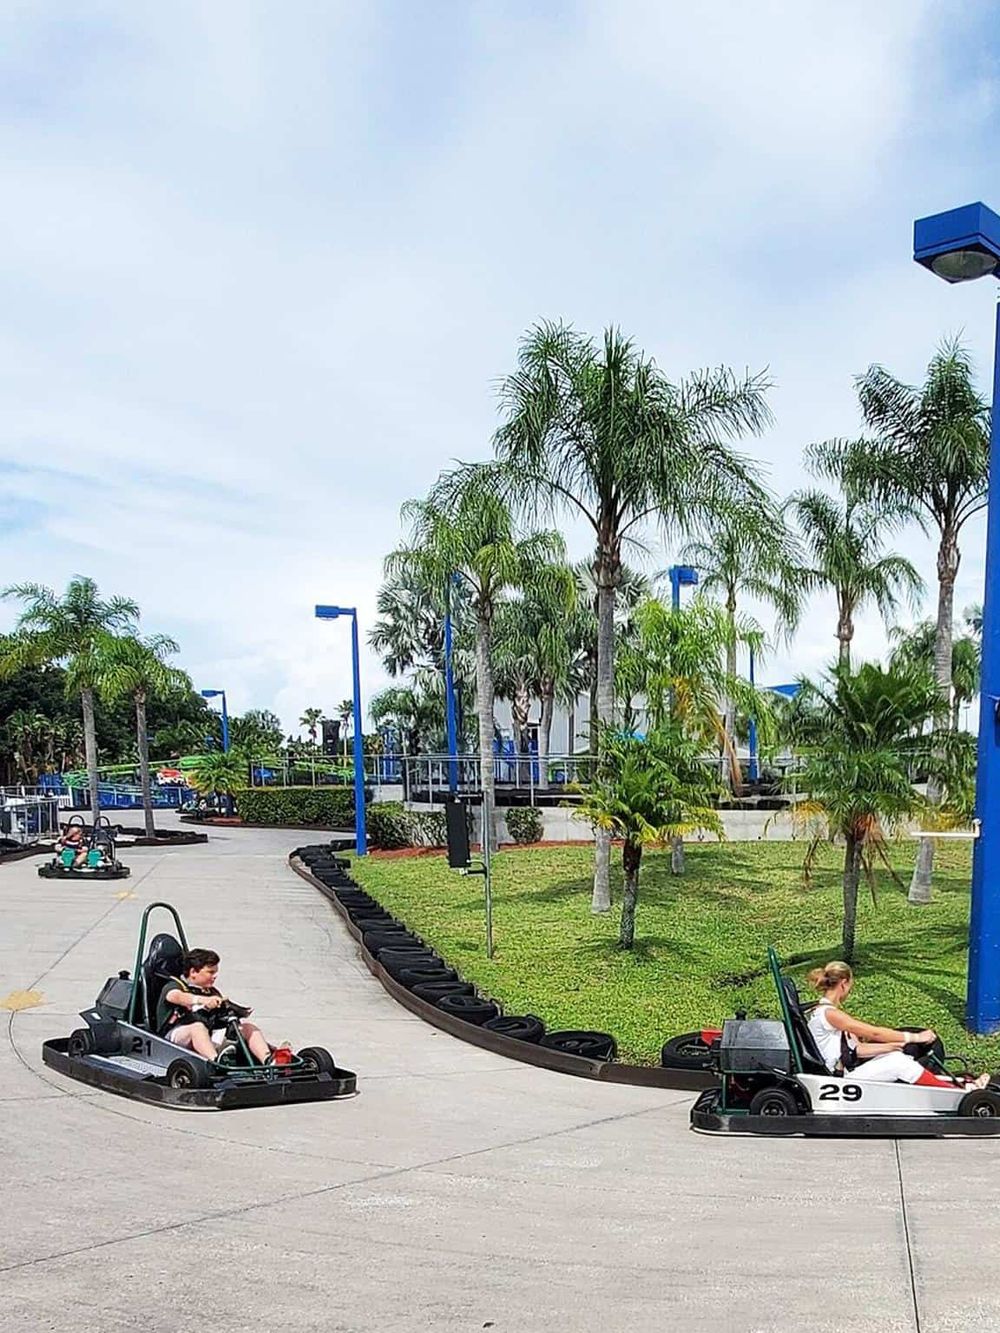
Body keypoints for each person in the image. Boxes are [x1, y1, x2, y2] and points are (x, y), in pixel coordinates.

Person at [806, 961, 989, 1089]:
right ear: (844, 984)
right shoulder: (830, 1014)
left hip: (845, 1070)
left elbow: (858, 1049)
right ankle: (956, 1092)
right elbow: (874, 1033)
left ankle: (963, 1083)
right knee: (898, 1063)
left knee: (897, 1056)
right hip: (838, 1078)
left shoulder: (827, 1011)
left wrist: (892, 1046)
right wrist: (915, 1037)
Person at [157, 948, 287, 1063]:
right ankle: (216, 1062)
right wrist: (202, 1001)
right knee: (197, 1028)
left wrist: (235, 1011)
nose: (215, 976)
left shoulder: (211, 992)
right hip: (173, 1039)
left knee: (247, 1028)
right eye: (210, 972)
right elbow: (174, 996)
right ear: (193, 972)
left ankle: (268, 1060)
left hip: (207, 1035)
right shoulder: (175, 986)